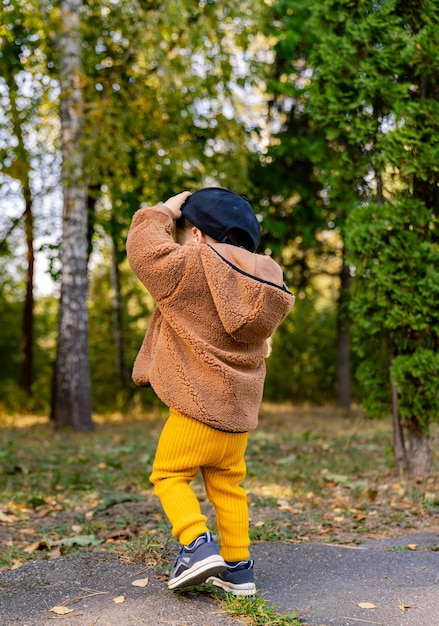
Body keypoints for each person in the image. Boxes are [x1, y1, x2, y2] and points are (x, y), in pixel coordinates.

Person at [126, 187, 295, 596]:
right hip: (236, 418)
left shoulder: (192, 266)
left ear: (198, 235)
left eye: (182, 232)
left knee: (168, 475)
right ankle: (239, 570)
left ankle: (196, 547)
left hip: (196, 408)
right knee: (228, 486)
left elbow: (143, 249)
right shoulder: (261, 281)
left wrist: (165, 211)